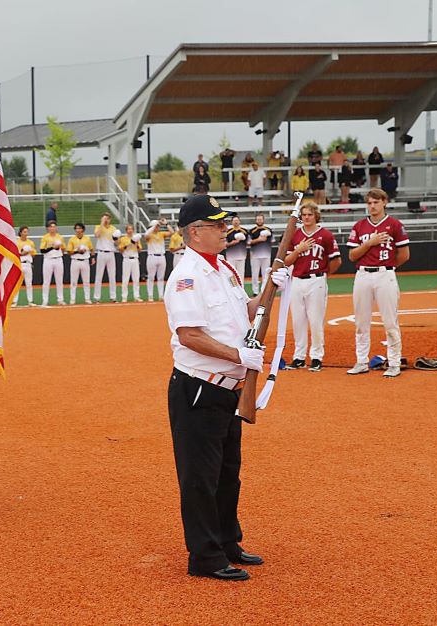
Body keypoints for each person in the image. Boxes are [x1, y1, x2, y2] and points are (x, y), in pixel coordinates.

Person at [164, 194, 288, 581]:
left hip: (228, 389)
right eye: (217, 225)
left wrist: (270, 289)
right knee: (200, 476)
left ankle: (227, 541)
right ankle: (204, 556)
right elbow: (189, 335)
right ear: (195, 232)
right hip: (199, 388)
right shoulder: (187, 277)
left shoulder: (223, 269)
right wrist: (238, 354)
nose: (225, 229)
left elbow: (243, 312)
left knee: (227, 472)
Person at [346, 188, 410, 378]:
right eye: (370, 203)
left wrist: (388, 267)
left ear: (384, 202)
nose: (372, 206)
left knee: (390, 322)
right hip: (363, 274)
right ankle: (361, 361)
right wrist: (369, 243)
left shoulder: (394, 225)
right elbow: (352, 255)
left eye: (376, 202)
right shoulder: (359, 226)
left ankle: (394, 362)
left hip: (385, 275)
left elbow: (404, 255)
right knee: (361, 321)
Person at [283, 201, 341, 371]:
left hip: (316, 280)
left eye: (310, 214)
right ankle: (299, 357)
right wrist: (298, 250)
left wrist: (324, 274)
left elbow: (336, 260)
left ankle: (316, 357)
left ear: (316, 215)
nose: (306, 217)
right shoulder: (295, 235)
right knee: (298, 321)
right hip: (297, 280)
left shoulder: (326, 235)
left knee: (316, 321)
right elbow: (286, 261)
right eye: (304, 215)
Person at [93, 213, 120, 303]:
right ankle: (97, 297)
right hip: (101, 252)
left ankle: (113, 297)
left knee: (112, 276)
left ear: (110, 219)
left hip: (111, 253)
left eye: (108, 218)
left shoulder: (113, 229)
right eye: (105, 218)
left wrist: (116, 238)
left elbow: (117, 243)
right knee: (99, 276)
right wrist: (102, 222)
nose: (106, 220)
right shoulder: (98, 226)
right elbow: (97, 235)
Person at [66, 222, 94, 305]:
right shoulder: (72, 239)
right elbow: (69, 252)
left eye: (79, 228)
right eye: (76, 228)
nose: (78, 230)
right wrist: (77, 251)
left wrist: (93, 258)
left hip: (85, 261)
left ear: (83, 229)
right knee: (74, 282)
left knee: (86, 281)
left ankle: (87, 298)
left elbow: (91, 249)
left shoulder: (87, 239)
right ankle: (72, 299)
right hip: (75, 261)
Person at [39, 220, 66, 306]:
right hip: (48, 259)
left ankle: (60, 299)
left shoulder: (60, 237)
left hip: (58, 259)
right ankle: (45, 299)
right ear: (48, 228)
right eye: (51, 227)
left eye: (54, 226)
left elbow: (63, 248)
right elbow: (42, 250)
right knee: (46, 281)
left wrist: (58, 248)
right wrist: (52, 247)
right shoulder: (45, 237)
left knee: (59, 280)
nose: (52, 228)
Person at [144, 218, 172, 301]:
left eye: (158, 226)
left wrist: (166, 224)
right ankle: (150, 295)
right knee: (151, 277)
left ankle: (161, 295)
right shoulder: (149, 235)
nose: (158, 227)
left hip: (162, 256)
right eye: (156, 226)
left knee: (161, 277)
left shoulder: (161, 234)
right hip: (152, 256)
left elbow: (172, 232)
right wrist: (154, 226)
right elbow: (146, 235)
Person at [247, 214, 273, 295]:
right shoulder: (252, 231)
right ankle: (255, 291)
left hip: (266, 255)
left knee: (266, 274)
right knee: (255, 274)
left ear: (263, 220)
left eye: (260, 219)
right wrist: (259, 240)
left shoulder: (269, 230)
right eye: (258, 219)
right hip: (255, 255)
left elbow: (272, 241)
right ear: (256, 220)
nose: (259, 221)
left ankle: (264, 290)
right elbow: (249, 242)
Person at [119, 224, 143, 302]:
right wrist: (128, 244)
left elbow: (139, 250)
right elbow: (121, 250)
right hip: (126, 259)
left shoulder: (136, 238)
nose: (130, 230)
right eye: (128, 229)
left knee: (136, 278)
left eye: (131, 229)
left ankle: (136, 296)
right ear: (126, 230)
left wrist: (136, 244)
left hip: (135, 258)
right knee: (125, 279)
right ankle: (124, 297)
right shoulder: (123, 239)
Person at [15, 226, 38, 306]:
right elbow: (15, 253)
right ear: (20, 233)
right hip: (19, 263)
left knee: (29, 283)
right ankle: (15, 301)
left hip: (28, 263)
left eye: (27, 232)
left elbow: (34, 254)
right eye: (24, 232)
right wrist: (22, 252)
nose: (26, 233)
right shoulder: (16, 242)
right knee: (17, 284)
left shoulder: (30, 243)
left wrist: (28, 252)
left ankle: (30, 301)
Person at [223, 216, 248, 281]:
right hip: (230, 257)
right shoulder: (228, 231)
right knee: (231, 274)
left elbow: (248, 242)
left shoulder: (244, 231)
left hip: (241, 256)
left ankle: (241, 289)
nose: (236, 222)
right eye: (234, 221)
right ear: (232, 222)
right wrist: (232, 243)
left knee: (241, 275)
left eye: (237, 220)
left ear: (239, 221)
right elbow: (224, 244)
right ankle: (233, 290)